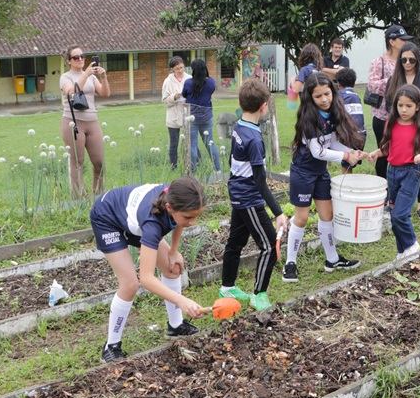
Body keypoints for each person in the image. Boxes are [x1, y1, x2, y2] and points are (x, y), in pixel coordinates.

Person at [90, 177, 206, 363]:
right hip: (108, 218)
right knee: (130, 284)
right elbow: (146, 278)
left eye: (196, 216)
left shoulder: (177, 196)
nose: (192, 222)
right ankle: (111, 346)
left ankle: (175, 326)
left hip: (136, 220)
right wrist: (182, 301)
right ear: (169, 208)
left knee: (173, 267)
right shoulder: (153, 222)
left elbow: (179, 222)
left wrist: (174, 251)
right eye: (189, 217)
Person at [283, 72, 366, 283]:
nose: (324, 99)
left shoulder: (332, 112)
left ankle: (332, 259)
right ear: (310, 98)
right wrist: (346, 156)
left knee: (326, 215)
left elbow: (330, 144)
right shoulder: (309, 117)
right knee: (301, 218)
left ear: (333, 91)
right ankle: (290, 263)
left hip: (320, 172)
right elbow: (317, 151)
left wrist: (352, 151)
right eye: (318, 96)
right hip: (303, 171)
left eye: (327, 94)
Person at [219, 79, 289, 311]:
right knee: (270, 245)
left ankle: (227, 287)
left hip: (238, 194)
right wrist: (278, 213)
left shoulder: (239, 126)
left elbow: (232, 160)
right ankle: (259, 295)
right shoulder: (255, 139)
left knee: (235, 242)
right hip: (248, 198)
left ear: (240, 103)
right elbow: (260, 180)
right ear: (264, 106)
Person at [367, 84, 420, 260]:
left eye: (409, 106)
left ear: (417, 107)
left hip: (411, 173)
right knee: (394, 216)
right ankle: (402, 252)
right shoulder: (391, 124)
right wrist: (377, 153)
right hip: (392, 173)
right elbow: (388, 148)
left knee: (400, 214)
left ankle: (412, 245)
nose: (404, 110)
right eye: (400, 105)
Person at [385, 42, 420, 220]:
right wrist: (396, 118)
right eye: (404, 59)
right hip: (397, 125)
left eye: (412, 59)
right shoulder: (394, 79)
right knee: (393, 158)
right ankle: (392, 201)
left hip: (419, 127)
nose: (407, 62)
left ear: (418, 60)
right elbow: (388, 102)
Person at [60, 46, 111, 197]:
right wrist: (86, 74)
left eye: (82, 56)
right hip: (73, 122)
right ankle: (79, 198)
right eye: (76, 57)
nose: (80, 59)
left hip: (92, 121)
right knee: (77, 162)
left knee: (99, 162)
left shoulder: (91, 77)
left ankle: (99, 195)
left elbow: (105, 93)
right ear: (69, 61)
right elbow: (72, 92)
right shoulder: (65, 77)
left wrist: (103, 77)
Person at [368, 25, 409, 182]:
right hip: (383, 115)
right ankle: (382, 185)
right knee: (383, 152)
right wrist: (393, 81)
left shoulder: (407, 61)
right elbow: (372, 85)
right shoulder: (379, 61)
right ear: (391, 41)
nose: (405, 42)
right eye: (402, 39)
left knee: (400, 152)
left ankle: (397, 185)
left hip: (404, 116)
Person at [182, 58, 222, 174]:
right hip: (207, 116)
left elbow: (184, 94)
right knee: (210, 142)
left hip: (192, 117)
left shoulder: (188, 82)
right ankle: (218, 169)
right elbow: (210, 91)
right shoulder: (211, 82)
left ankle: (193, 171)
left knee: (193, 144)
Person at [335, 68, 366, 174]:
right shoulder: (356, 96)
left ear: (338, 83)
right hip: (361, 135)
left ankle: (347, 187)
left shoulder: (339, 96)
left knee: (347, 164)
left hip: (349, 136)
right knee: (350, 164)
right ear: (354, 83)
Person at [162, 56, 188, 170]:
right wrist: (174, 97)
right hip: (173, 116)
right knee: (174, 143)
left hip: (187, 114)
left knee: (190, 141)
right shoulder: (168, 81)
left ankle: (194, 164)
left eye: (182, 67)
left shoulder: (189, 78)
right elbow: (164, 101)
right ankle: (174, 167)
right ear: (172, 69)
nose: (180, 71)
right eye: (177, 69)